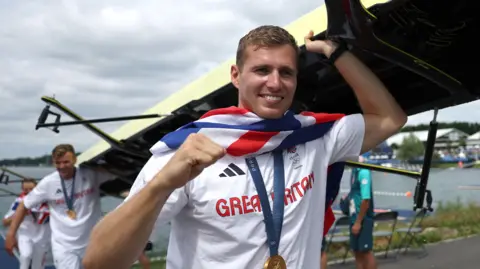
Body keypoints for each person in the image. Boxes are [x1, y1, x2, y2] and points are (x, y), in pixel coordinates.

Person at [82, 25, 407, 269]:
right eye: (262, 70)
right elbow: (99, 262)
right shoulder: (186, 151)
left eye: (286, 72)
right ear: (236, 76)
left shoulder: (314, 138)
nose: (275, 82)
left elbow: (390, 118)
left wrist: (335, 51)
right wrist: (162, 185)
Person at [4, 144, 116, 269]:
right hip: (64, 246)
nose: (62, 167)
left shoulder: (91, 174)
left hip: (92, 242)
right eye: (58, 163)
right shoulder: (48, 183)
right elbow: (23, 206)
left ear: (74, 160)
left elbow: (124, 174)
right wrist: (10, 235)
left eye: (66, 162)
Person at [2, 178, 51, 269]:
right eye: (25, 190)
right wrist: (20, 214)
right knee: (25, 256)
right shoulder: (19, 202)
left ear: (37, 188)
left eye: (31, 189)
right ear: (22, 190)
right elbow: (5, 221)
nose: (29, 192)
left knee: (38, 265)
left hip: (42, 237)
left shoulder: (48, 202)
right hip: (25, 234)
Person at [348, 155, 377, 269]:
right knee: (357, 252)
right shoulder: (354, 170)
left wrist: (358, 222)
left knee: (366, 252)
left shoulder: (364, 171)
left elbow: (366, 199)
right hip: (353, 217)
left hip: (363, 219)